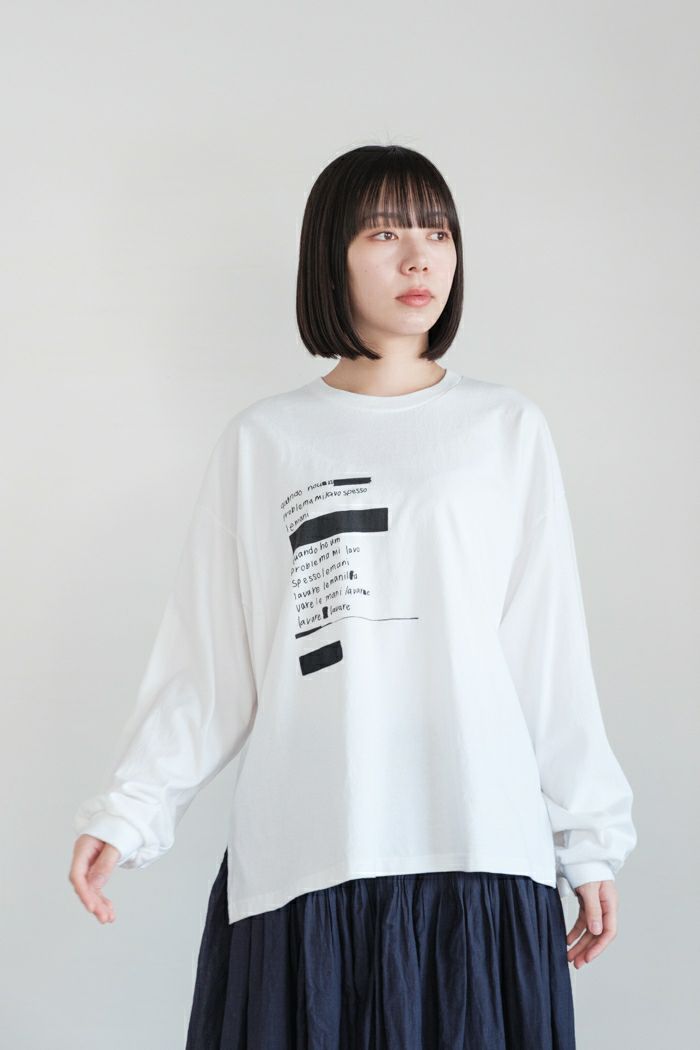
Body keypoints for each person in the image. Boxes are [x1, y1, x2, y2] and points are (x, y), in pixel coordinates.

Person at [69, 144, 637, 1048]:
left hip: (477, 845)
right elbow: (213, 662)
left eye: (437, 233)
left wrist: (589, 839)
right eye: (383, 233)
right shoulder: (266, 442)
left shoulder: (505, 429)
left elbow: (547, 654)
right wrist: (130, 810)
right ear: (329, 257)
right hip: (310, 855)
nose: (419, 258)